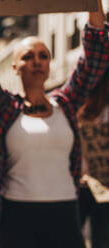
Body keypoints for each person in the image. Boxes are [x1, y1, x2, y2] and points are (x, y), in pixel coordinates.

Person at [0, 0, 109, 247]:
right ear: (15, 66)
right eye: (28, 56)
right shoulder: (4, 106)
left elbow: (95, 55)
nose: (37, 61)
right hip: (16, 216)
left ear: (50, 65)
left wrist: (93, 4)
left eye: (43, 55)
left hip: (65, 213)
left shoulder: (66, 103)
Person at [78, 69, 109, 248]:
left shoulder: (83, 112)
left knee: (102, 238)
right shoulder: (81, 111)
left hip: (103, 187)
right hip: (84, 183)